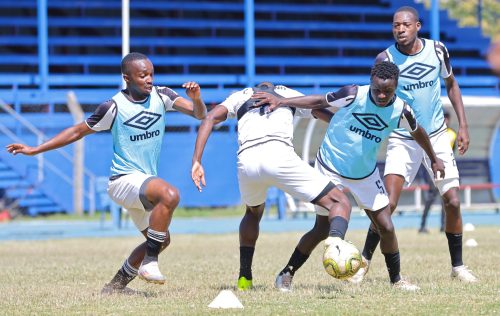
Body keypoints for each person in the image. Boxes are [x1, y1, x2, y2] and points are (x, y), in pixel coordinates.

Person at [6, 52, 208, 294]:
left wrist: (196, 99)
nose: (149, 79)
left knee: (161, 240)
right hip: (123, 181)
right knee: (170, 195)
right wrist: (35, 149)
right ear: (127, 78)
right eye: (143, 75)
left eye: (151, 74)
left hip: (142, 183)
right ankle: (150, 263)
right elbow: (76, 131)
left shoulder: (162, 95)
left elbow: (199, 114)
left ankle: (114, 288)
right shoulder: (113, 107)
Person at [252, 61, 445, 291]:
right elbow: (318, 101)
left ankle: (396, 280)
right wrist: (282, 101)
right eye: (377, 90)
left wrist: (433, 158)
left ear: (396, 87)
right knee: (322, 229)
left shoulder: (401, 110)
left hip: (364, 173)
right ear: (370, 83)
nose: (382, 95)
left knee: (387, 226)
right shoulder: (353, 94)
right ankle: (286, 273)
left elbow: (418, 132)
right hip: (331, 165)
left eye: (388, 91)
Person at [191, 82, 353, 292]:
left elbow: (210, 117)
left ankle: (244, 277)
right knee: (340, 202)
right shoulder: (285, 92)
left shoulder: (240, 95)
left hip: (247, 162)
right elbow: (316, 108)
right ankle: (336, 246)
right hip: (278, 156)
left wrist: (196, 160)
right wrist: (342, 124)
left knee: (252, 212)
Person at [356, 6, 478, 283]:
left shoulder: (437, 51)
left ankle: (457, 267)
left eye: (406, 24)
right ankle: (363, 262)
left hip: (436, 135)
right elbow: (375, 99)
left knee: (453, 201)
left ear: (418, 26)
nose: (400, 29)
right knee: (387, 204)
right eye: (395, 25)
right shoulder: (385, 58)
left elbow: (451, 84)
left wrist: (463, 125)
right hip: (402, 138)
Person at [419, 111, 457, 233]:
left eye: (447, 117)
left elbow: (453, 151)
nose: (445, 120)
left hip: (446, 169)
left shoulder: (452, 134)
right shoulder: (433, 132)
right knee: (431, 197)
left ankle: (443, 225)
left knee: (446, 198)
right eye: (443, 117)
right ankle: (423, 225)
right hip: (433, 168)